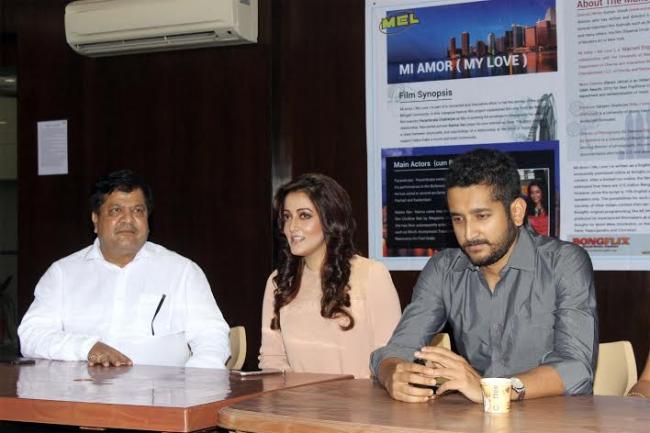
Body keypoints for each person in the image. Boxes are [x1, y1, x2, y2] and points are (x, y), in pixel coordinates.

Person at [371, 149, 598, 403]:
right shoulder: (443, 269)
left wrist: (494, 390)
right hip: (477, 417)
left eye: (482, 216)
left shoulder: (563, 263)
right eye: (458, 219)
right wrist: (392, 374)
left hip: (554, 418)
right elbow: (397, 349)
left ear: (517, 211)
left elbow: (576, 369)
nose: (469, 234)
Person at [18, 170, 230, 368]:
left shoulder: (182, 272)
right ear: (95, 219)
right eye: (116, 210)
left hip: (162, 392)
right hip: (81, 392)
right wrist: (86, 348)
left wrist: (195, 382)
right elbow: (32, 335)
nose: (128, 219)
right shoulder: (63, 274)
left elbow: (211, 335)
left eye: (138, 210)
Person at [259, 173, 401, 378]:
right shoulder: (278, 282)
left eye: (304, 215)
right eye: (287, 217)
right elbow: (272, 360)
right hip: (296, 398)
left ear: (330, 219)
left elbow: (391, 357)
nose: (292, 227)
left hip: (363, 397)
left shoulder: (372, 274)